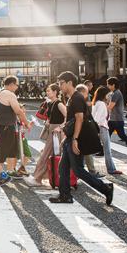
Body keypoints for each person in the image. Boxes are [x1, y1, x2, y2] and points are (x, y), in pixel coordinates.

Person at [49, 72, 114, 206]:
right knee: (63, 167)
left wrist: (75, 140)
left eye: (61, 83)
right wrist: (66, 137)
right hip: (71, 137)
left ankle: (105, 188)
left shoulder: (77, 98)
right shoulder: (71, 98)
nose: (60, 86)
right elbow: (70, 120)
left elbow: (80, 118)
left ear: (69, 83)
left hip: (76, 138)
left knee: (78, 169)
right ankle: (65, 195)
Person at [26, 83, 67, 186]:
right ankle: (45, 178)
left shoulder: (59, 103)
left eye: (49, 90)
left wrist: (60, 127)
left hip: (57, 132)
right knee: (49, 155)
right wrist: (48, 122)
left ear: (55, 92)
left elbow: (68, 117)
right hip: (52, 131)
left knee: (46, 155)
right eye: (47, 91)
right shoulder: (51, 103)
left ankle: (38, 178)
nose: (47, 92)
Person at [0, 77, 31, 177]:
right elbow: (18, 111)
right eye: (17, 85)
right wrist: (26, 123)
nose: (17, 87)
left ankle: (10, 171)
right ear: (12, 84)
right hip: (6, 126)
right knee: (4, 149)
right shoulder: (9, 94)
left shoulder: (1, 93)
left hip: (5, 125)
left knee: (12, 149)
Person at [91, 86, 122, 176]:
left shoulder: (97, 103)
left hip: (100, 127)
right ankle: (111, 169)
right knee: (107, 149)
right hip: (102, 128)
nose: (109, 96)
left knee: (101, 149)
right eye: (108, 95)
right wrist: (97, 130)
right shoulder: (101, 104)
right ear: (104, 94)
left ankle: (110, 168)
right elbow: (97, 118)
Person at [75, 84, 100, 177]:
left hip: (81, 131)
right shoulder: (80, 102)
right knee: (86, 151)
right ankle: (90, 172)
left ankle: (80, 171)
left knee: (82, 152)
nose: (87, 95)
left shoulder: (78, 101)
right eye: (86, 92)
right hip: (82, 131)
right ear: (82, 92)